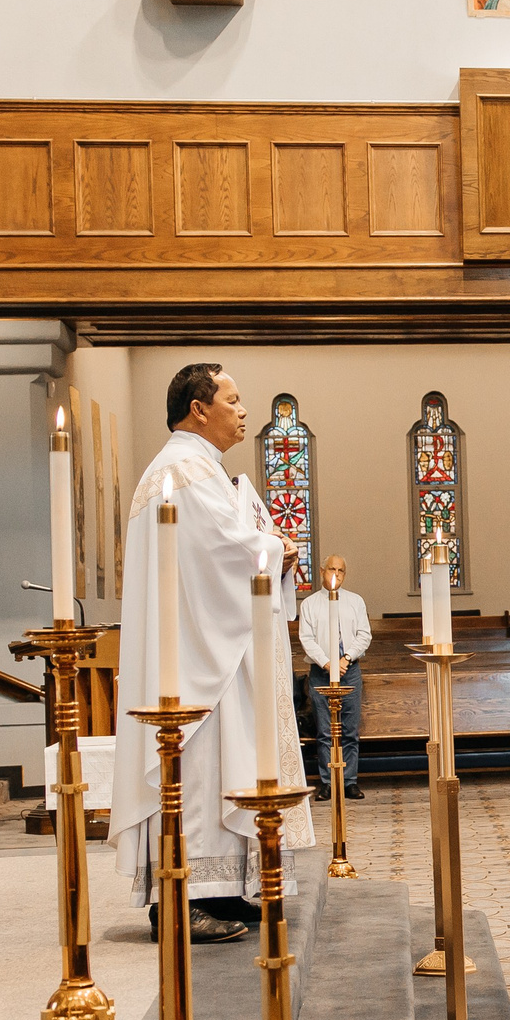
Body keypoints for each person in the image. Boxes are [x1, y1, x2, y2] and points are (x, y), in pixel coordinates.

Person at [113, 363, 309, 946]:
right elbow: (224, 548)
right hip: (195, 656)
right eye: (233, 399)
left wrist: (269, 546)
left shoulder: (197, 468)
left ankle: (219, 889)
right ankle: (180, 900)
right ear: (199, 408)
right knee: (199, 767)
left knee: (222, 764)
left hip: (207, 642)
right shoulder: (184, 470)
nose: (243, 410)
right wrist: (276, 546)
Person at [296, 553, 370, 802]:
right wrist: (327, 663)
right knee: (325, 731)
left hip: (349, 670)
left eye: (340, 570)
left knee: (349, 730)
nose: (335, 574)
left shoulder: (355, 601)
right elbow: (306, 639)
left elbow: (364, 635)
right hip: (321, 672)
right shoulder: (309, 604)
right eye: (331, 569)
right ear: (321, 571)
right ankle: (328, 783)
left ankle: (349, 781)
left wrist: (345, 659)